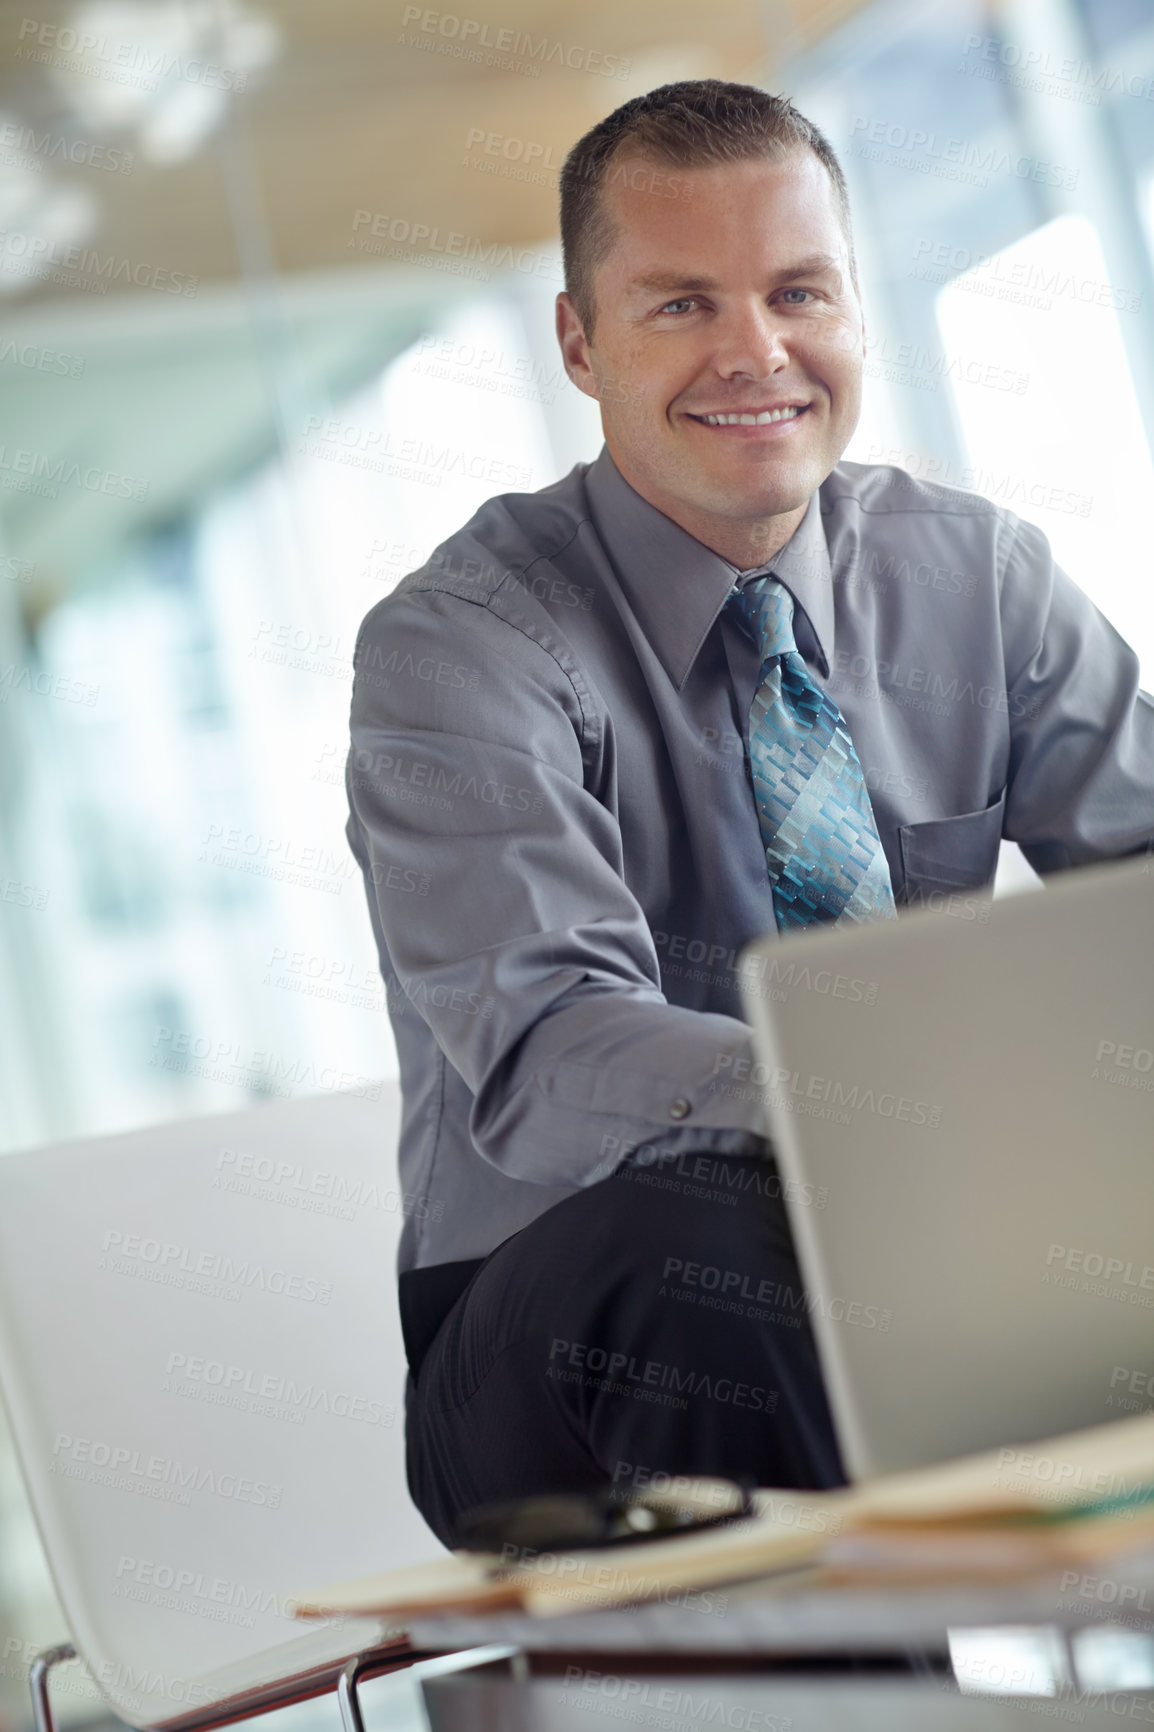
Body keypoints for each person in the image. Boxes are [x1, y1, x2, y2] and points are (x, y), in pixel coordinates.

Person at [344, 79, 1154, 1548]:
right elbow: (543, 1050)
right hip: (554, 1315)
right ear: (578, 344)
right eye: (679, 306)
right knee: (714, 1249)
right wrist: (892, 1120)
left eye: (798, 292)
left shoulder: (973, 575)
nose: (754, 352)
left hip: (944, 1240)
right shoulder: (460, 644)